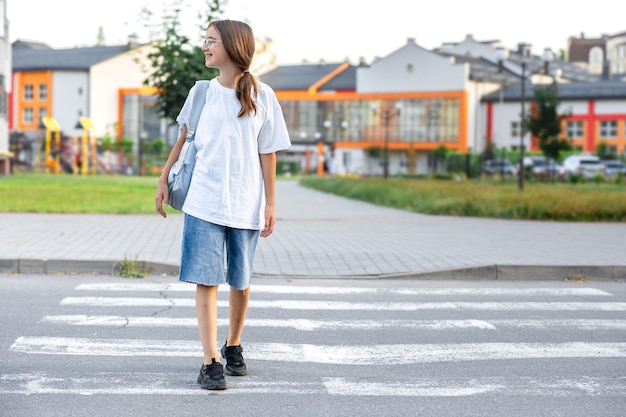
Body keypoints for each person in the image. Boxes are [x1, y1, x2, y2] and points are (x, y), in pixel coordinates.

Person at [155, 19, 291, 390]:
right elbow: (184, 140)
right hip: (203, 201)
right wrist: (163, 179)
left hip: (246, 203)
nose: (204, 46)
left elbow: (268, 153)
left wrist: (270, 203)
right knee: (206, 279)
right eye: (205, 40)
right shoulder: (200, 92)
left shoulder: (263, 96)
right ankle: (210, 359)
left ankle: (233, 345)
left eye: (211, 41)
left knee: (241, 281)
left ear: (232, 47)